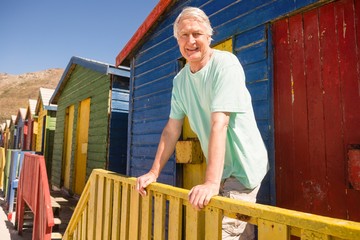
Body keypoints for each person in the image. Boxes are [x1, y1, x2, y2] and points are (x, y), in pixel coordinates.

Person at [136, 6, 268, 239]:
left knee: (225, 233)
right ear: (177, 40)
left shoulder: (225, 64)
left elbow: (220, 123)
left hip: (244, 167)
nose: (191, 41)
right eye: (184, 35)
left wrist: (210, 183)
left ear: (209, 36)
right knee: (240, 231)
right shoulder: (180, 81)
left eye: (197, 34)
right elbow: (171, 129)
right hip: (223, 169)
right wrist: (154, 172)